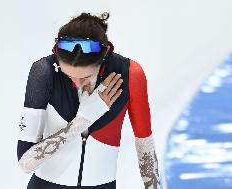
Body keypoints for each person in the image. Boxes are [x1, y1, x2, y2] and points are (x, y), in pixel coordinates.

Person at [17, 12, 161, 189]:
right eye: (68, 75)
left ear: (105, 55)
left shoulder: (130, 73)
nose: (76, 82)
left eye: (85, 77)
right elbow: (25, 163)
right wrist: (84, 119)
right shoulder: (44, 71)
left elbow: (144, 145)